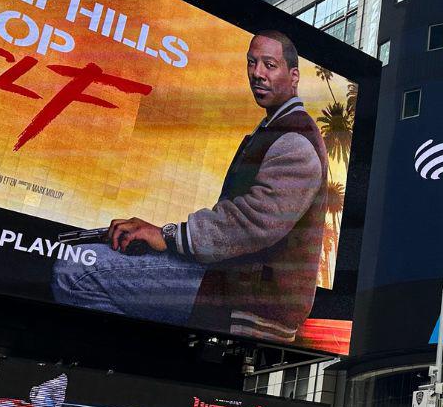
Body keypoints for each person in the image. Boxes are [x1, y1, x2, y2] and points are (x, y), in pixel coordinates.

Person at [52, 30, 331, 342]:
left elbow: (252, 223)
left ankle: (123, 371)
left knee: (76, 270)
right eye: (252, 63)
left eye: (269, 65)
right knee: (91, 255)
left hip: (245, 300)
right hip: (227, 282)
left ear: (293, 76)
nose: (257, 73)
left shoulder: (294, 141)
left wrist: (167, 236)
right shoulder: (275, 129)